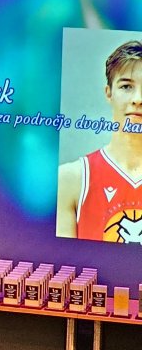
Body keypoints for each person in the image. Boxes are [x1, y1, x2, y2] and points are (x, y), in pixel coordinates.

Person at [58, 40, 142, 242]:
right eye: (126, 86)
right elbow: (63, 261)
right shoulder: (72, 179)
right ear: (109, 93)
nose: (138, 98)